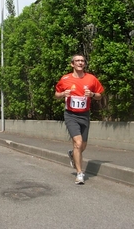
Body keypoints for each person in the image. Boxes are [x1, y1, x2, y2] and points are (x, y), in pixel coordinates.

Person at [55, 54, 104, 185]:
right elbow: (56, 94)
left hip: (85, 115)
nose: (80, 63)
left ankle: (72, 154)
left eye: (82, 61)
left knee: (82, 146)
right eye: (77, 61)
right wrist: (62, 94)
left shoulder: (91, 79)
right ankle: (80, 173)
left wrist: (92, 95)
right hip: (70, 115)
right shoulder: (65, 79)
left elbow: (99, 95)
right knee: (78, 142)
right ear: (72, 64)